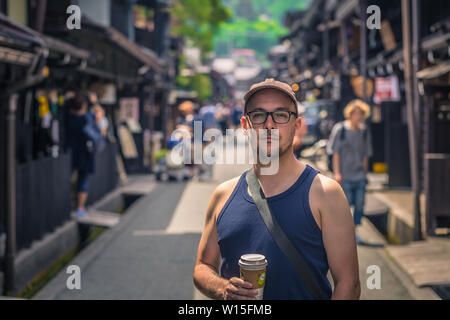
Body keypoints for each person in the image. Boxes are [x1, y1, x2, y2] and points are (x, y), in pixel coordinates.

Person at [193, 78, 360, 300]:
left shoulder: (326, 193)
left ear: (297, 125)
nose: (269, 125)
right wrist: (222, 288)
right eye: (259, 115)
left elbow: (348, 284)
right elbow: (202, 266)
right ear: (245, 125)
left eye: (281, 115)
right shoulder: (223, 195)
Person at [326, 99, 373, 245]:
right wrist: (337, 173)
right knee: (345, 206)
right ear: (350, 114)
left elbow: (366, 154)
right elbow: (335, 153)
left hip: (359, 174)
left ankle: (356, 232)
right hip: (344, 175)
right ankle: (344, 233)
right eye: (357, 113)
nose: (359, 117)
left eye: (361, 114)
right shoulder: (341, 129)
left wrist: (365, 174)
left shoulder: (364, 131)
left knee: (360, 204)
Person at [65, 93, 102, 217]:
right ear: (84, 105)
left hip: (69, 152)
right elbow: (99, 114)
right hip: (85, 152)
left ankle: (68, 206)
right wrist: (94, 102)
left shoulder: (67, 118)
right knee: (83, 179)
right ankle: (80, 208)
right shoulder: (87, 118)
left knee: (67, 179)